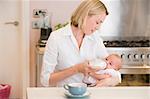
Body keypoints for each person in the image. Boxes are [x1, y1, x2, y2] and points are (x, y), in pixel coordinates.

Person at [41, 0, 120, 87]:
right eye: (97, 22)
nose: (98, 27)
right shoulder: (56, 38)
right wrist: (76, 69)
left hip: (91, 93)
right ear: (85, 16)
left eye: (100, 23)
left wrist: (111, 80)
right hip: (66, 93)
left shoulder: (95, 37)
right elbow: (45, 80)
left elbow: (112, 70)